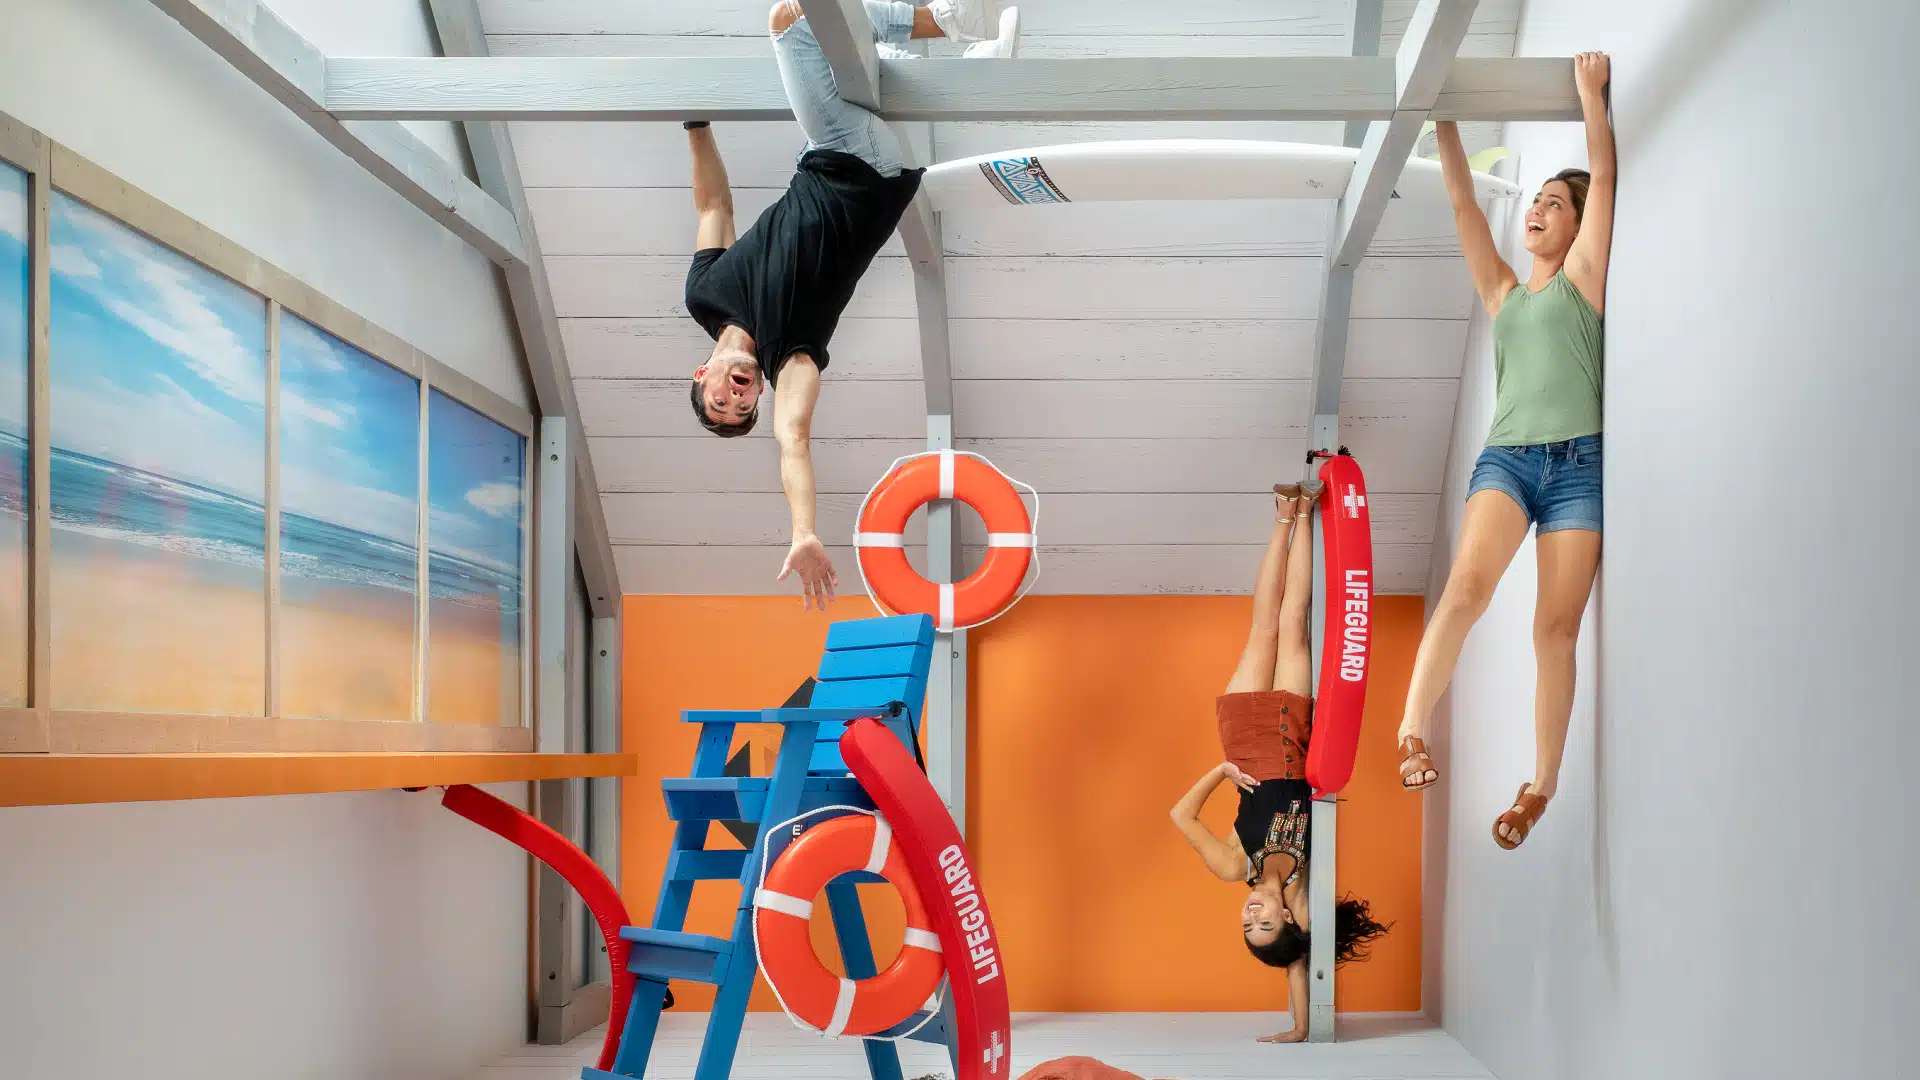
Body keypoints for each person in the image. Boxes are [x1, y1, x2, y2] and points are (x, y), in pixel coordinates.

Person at [681, 1, 1020, 609]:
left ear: (702, 375)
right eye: (742, 408)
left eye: (721, 400)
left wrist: (694, 124)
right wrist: (804, 531)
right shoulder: (792, 360)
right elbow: (794, 439)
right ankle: (946, 24)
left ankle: (976, 63)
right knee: (792, 24)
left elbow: (714, 210)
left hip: (845, 160)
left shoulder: (704, 295)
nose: (737, 397)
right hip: (858, 169)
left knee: (869, 63)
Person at [1394, 53, 1616, 850]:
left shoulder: (1582, 280)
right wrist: (1444, 120)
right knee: (1464, 591)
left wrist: (1592, 100)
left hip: (1579, 469)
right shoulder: (1505, 294)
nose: (1539, 211)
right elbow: (1462, 208)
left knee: (1554, 632)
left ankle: (1541, 786)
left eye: (1557, 205)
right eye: (1537, 201)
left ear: (1577, 226)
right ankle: (1412, 731)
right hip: (1510, 461)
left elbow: (1605, 182)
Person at [1169, 485, 1390, 1044]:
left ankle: (1280, 518)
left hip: (1243, 742)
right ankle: (1306, 512)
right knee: (1294, 622)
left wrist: (1221, 773)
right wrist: (1301, 1025)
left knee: (1262, 627)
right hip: (1294, 740)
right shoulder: (1302, 886)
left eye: (1248, 925)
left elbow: (1179, 816)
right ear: (1287, 920)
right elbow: (1298, 961)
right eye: (1264, 923)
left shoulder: (1232, 867)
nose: (1251, 915)